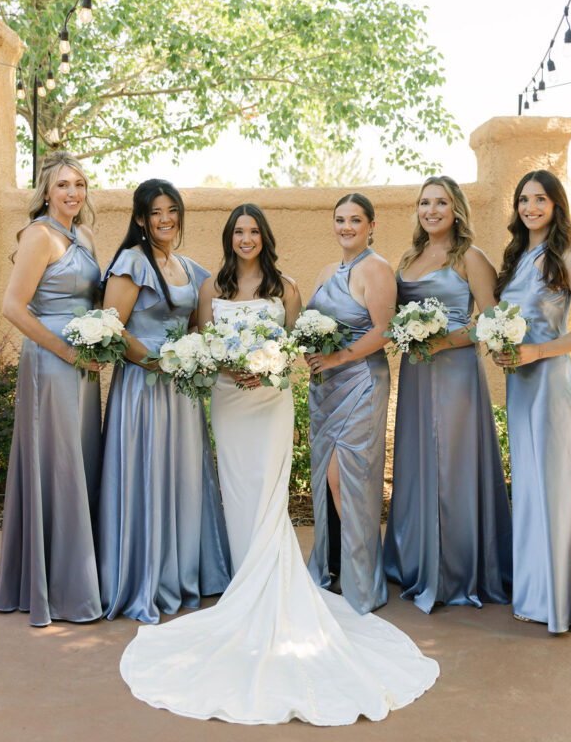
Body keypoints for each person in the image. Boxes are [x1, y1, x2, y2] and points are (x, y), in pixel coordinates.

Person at [119, 203, 439, 725]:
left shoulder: (287, 287)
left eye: (253, 232)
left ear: (265, 238)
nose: (246, 239)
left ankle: (272, 587)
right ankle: (246, 579)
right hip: (227, 401)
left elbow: (296, 344)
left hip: (268, 403)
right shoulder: (211, 288)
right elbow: (202, 341)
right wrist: (229, 365)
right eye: (238, 232)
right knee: (237, 492)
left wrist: (267, 370)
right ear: (230, 239)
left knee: (267, 492)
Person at [98, 180, 230, 623]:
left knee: (185, 476)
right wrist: (157, 361)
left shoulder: (187, 267)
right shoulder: (131, 263)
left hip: (182, 392)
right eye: (156, 212)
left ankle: (188, 572)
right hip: (144, 388)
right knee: (149, 473)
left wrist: (193, 352)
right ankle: (148, 577)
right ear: (140, 219)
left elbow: (196, 323)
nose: (166, 218)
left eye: (172, 209)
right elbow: (112, 328)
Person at [382, 176, 512, 613]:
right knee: (417, 463)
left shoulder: (470, 257)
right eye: (424, 202)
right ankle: (414, 559)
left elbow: (489, 321)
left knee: (453, 464)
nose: (431, 210)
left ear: (456, 209)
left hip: (455, 374)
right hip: (417, 375)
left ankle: (457, 570)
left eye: (441, 202)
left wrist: (442, 340)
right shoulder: (409, 257)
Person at [0, 152, 103, 627]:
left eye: (79, 184)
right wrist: (67, 352)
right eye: (63, 185)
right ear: (46, 192)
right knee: (57, 467)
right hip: (53, 363)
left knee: (79, 463)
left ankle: (77, 576)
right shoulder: (39, 236)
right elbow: (14, 308)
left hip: (84, 363)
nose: (73, 193)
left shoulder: (86, 236)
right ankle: (58, 588)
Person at [495, 170, 571, 632]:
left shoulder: (570, 257)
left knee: (554, 490)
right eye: (524, 199)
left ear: (557, 205)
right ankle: (535, 592)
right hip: (520, 384)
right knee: (530, 488)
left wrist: (538, 350)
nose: (530, 207)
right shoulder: (518, 256)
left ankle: (560, 603)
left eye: (540, 199)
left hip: (553, 384)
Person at [303, 193, 396, 613]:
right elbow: (312, 323)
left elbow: (383, 331)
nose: (346, 227)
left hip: (360, 382)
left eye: (355, 220)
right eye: (340, 219)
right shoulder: (327, 270)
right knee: (326, 480)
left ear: (371, 225)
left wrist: (336, 357)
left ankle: (362, 580)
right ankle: (335, 568)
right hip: (325, 386)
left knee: (347, 480)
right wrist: (310, 351)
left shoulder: (376, 269)